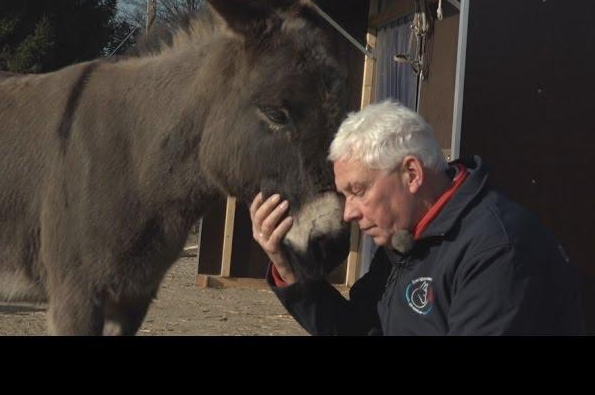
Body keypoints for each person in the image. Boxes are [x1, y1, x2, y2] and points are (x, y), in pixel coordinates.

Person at [249, 100, 583, 335]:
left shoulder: (497, 252)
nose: (348, 213)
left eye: (358, 190)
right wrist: (287, 267)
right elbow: (359, 328)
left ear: (411, 174)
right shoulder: (410, 237)